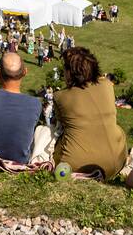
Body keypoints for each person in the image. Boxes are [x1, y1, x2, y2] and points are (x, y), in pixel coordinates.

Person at [52, 47, 128, 178]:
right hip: (117, 161)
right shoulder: (107, 85)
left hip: (75, 165)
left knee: (46, 132)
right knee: (117, 128)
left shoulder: (60, 96)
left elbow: (60, 126)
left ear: (70, 72)